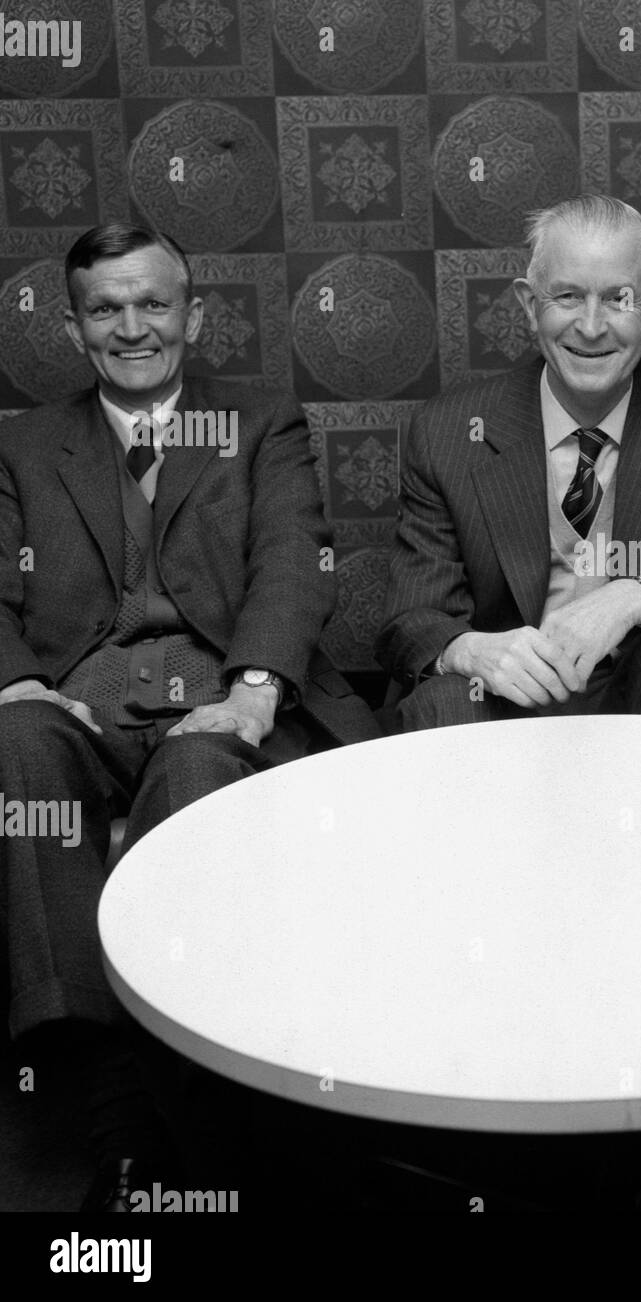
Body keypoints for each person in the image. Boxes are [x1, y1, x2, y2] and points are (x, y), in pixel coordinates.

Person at [0, 222, 377, 1210]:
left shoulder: (262, 427)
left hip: (214, 699)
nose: (132, 326)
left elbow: (293, 563)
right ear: (77, 326)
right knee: (13, 741)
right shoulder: (24, 442)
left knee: (202, 768)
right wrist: (11, 681)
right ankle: (92, 1054)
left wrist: (251, 693)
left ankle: (126, 1127)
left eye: (152, 303)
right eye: (105, 308)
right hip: (73, 705)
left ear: (192, 313)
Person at [380, 195, 641, 728]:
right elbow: (410, 619)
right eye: (567, 296)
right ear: (529, 306)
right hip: (509, 699)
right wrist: (472, 651)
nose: (591, 327)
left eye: (619, 299)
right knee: (448, 697)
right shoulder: (452, 431)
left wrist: (637, 596)